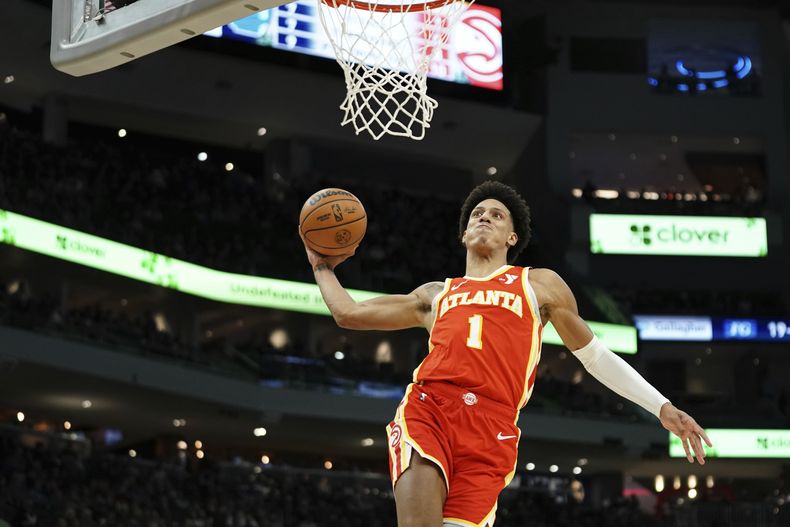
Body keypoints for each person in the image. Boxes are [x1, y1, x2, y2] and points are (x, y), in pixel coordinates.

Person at [301, 181, 712, 527]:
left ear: (512, 238)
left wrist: (661, 407)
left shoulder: (539, 285)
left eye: (497, 215)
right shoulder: (436, 294)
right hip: (431, 410)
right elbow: (349, 313)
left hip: (493, 430)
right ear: (463, 234)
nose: (484, 217)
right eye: (477, 213)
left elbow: (594, 356)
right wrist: (323, 267)